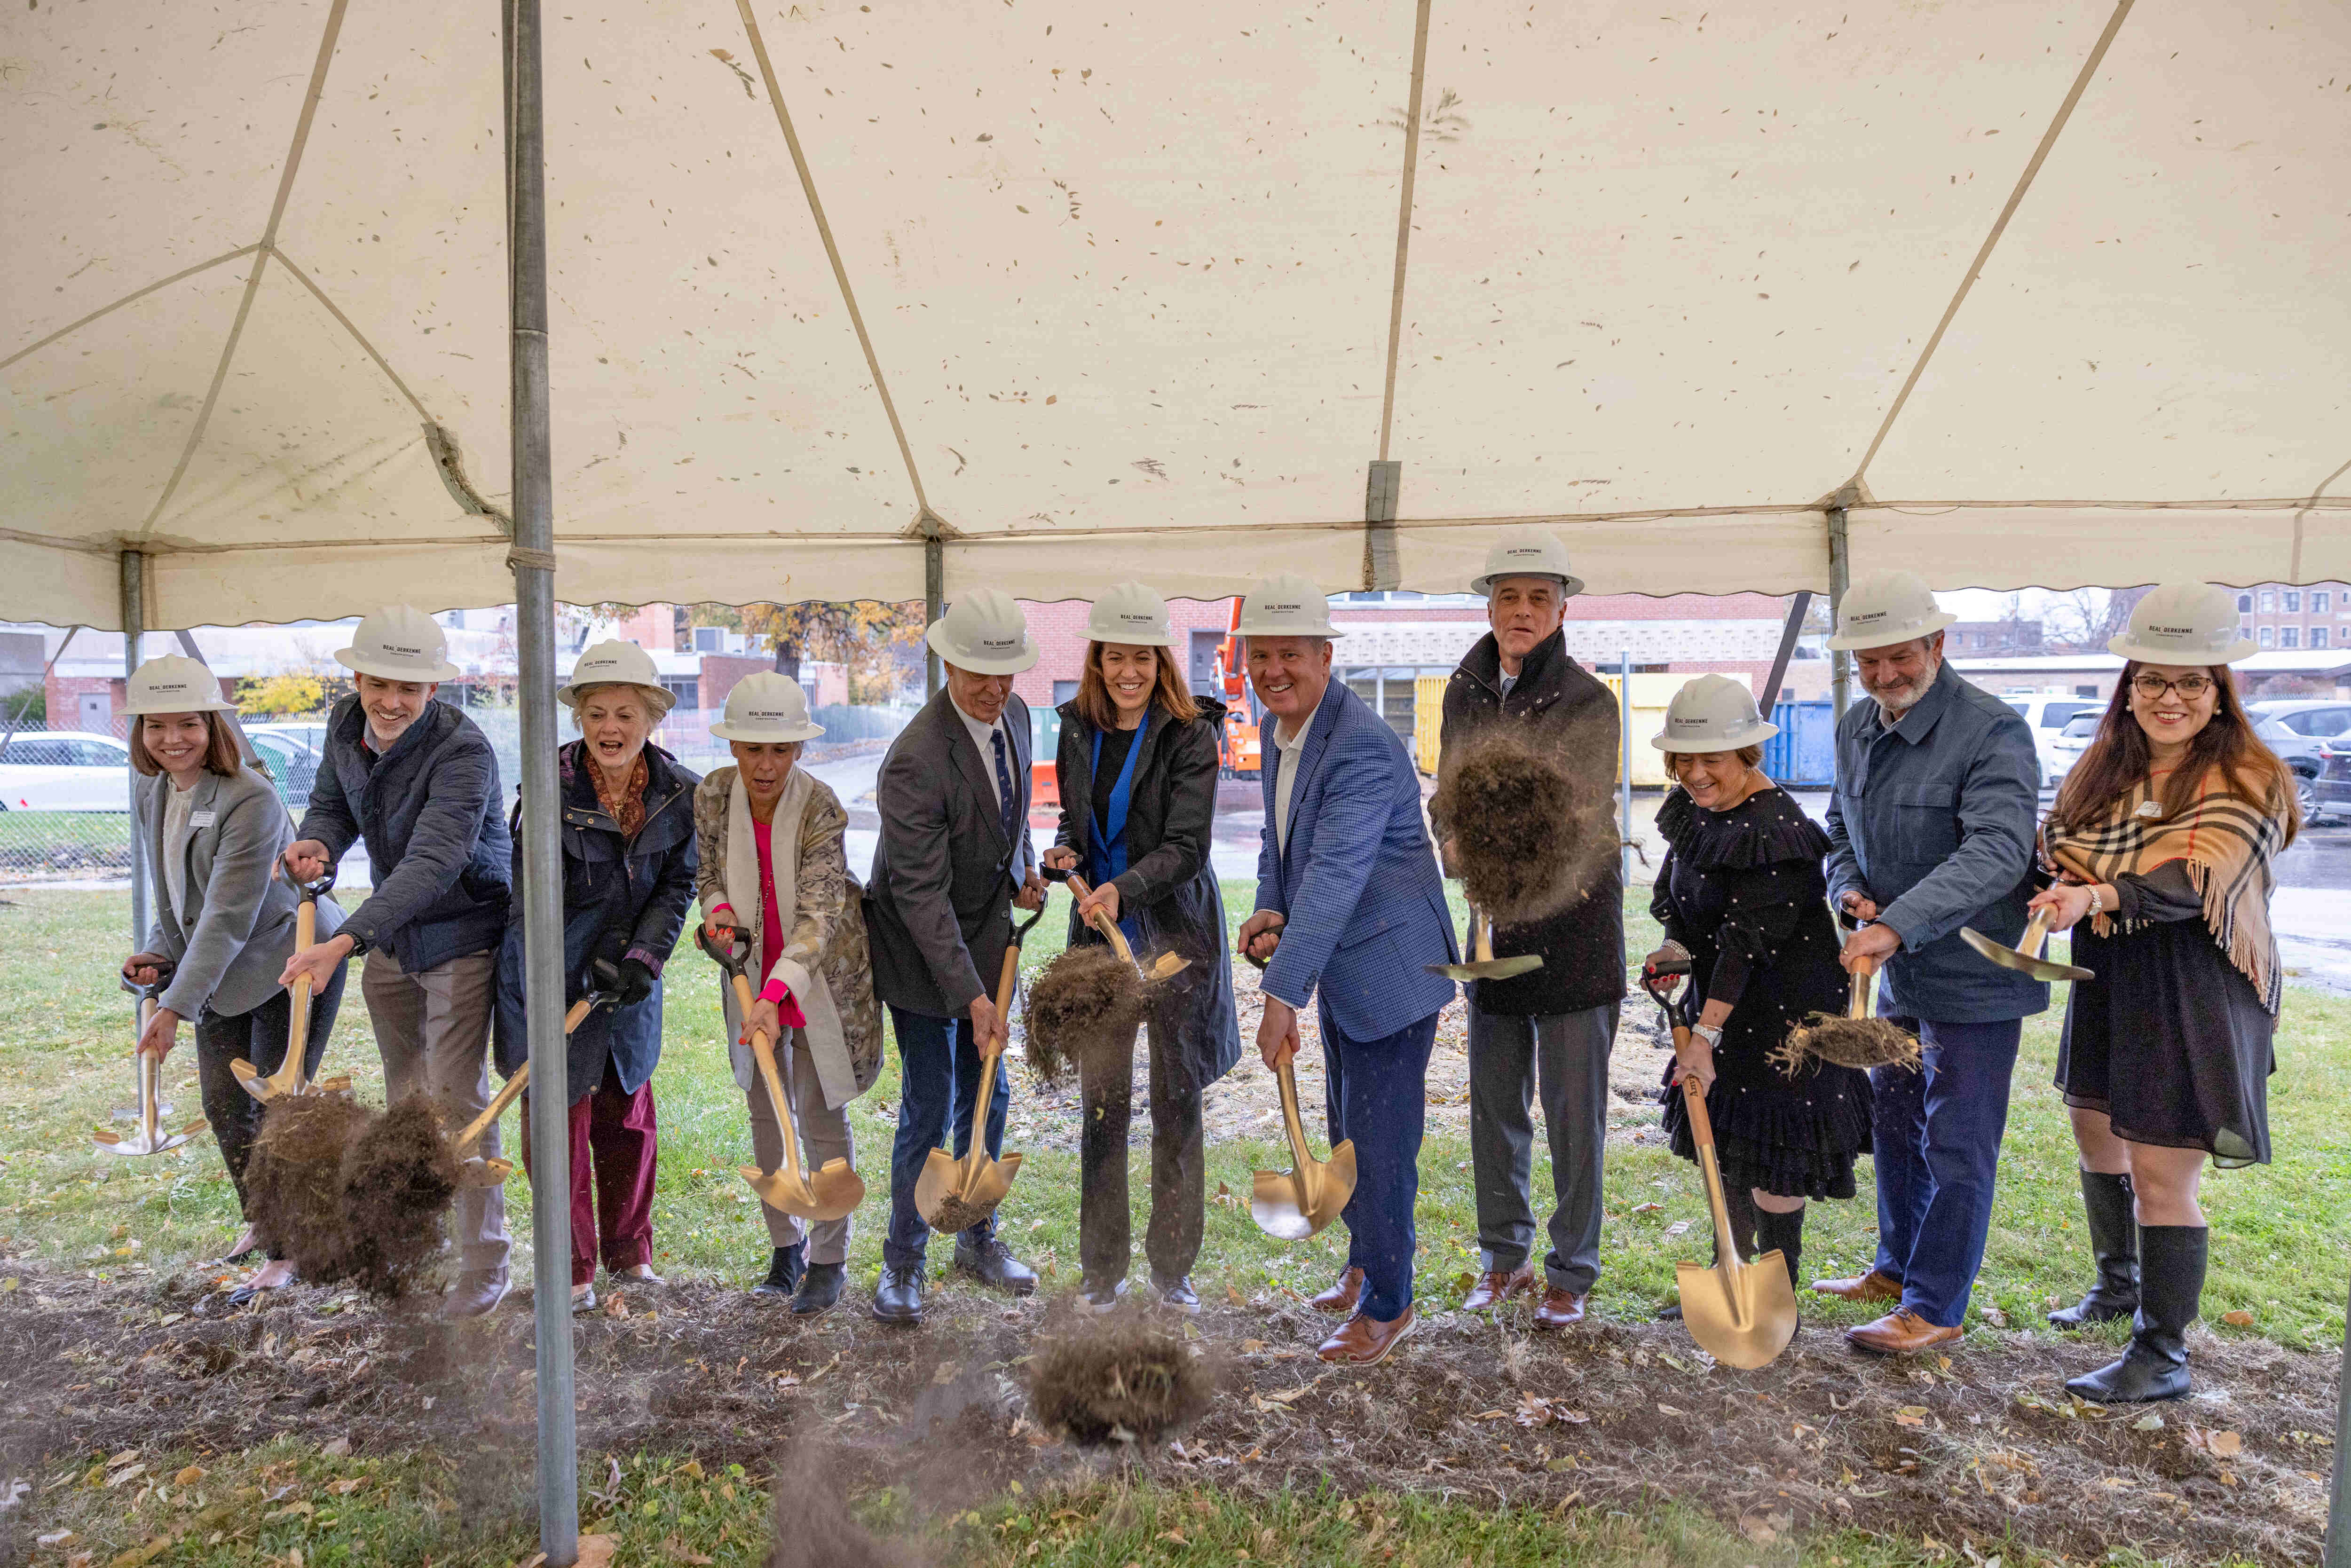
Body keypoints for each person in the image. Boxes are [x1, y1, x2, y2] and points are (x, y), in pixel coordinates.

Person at [2031, 584, 2294, 1403]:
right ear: (2129, 688)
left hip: (2195, 987)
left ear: (2219, 691)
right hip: (2112, 977)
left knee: (2160, 1171)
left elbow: (2198, 876)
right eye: (2152, 681)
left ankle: (2163, 1354)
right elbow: (2061, 843)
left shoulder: (2248, 774)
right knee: (2096, 1135)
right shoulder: (2108, 765)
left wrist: (2102, 896)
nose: (2169, 698)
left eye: (2190, 683)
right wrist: (2051, 884)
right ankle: (2117, 1286)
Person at [1813, 571, 2045, 1356]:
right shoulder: (1855, 727)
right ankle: (1895, 1269)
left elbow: (2000, 850)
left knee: (1956, 1139)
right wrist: (1848, 890)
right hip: (1895, 972)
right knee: (1897, 1121)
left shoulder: (1992, 731)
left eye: (1899, 659)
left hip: (1973, 979)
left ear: (1938, 646)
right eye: (1869, 664)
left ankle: (1935, 1303)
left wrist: (1900, 926)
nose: (1885, 677)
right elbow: (1840, 829)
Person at [1235, 573, 1459, 1365]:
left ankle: (1390, 1307)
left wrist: (1279, 995)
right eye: (1260, 656)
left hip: (1394, 966)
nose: (1273, 671)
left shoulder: (1362, 743)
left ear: (1325, 657)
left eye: (1289, 655)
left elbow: (1333, 875)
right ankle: (1366, 1264)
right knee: (1344, 1126)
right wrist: (1269, 908)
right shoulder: (1280, 729)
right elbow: (1280, 843)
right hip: (1344, 962)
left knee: (1381, 1143)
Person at [277, 605, 515, 1319]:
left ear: (433, 692)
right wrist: (316, 844)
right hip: (396, 937)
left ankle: (485, 1261)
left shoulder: (465, 753)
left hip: (460, 932)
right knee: (407, 1095)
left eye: (410, 689)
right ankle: (417, 1239)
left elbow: (434, 863)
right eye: (381, 683)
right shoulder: (346, 726)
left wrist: (346, 940)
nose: (391, 702)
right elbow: (332, 805)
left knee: (457, 1097)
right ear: (357, 677)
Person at [1431, 529, 1625, 1328]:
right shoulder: (1464, 689)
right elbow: (1449, 785)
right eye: (1508, 597)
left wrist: (1481, 840)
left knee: (1574, 1112)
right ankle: (1501, 1258)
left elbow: (1574, 815)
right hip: (1495, 924)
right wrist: (1449, 831)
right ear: (1489, 606)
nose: (1521, 612)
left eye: (1537, 599)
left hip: (1574, 923)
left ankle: (1571, 1271)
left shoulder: (1589, 701)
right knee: (1494, 1104)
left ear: (1561, 609)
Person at [117, 655, 349, 1307]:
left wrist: (175, 1006)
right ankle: (268, 1221)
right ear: (140, 731)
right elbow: (181, 896)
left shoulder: (251, 797)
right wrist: (158, 955)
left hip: (288, 962)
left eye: (188, 724)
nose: (173, 740)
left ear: (213, 724)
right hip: (218, 970)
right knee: (224, 1105)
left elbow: (228, 911)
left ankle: (291, 1251)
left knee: (280, 1110)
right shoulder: (152, 790)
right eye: (157, 726)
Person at [1039, 583, 1242, 1315]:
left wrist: (1123, 888)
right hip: (1099, 938)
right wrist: (1063, 852)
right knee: (1104, 1102)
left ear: (1163, 663)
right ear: (1097, 661)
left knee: (1175, 1097)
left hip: (1174, 938)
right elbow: (1075, 818)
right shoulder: (1075, 728)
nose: (1130, 672)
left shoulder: (1191, 733)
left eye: (1144, 660)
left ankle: (1171, 1269)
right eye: (1116, 658)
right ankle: (1102, 1272)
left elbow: (1188, 846)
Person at [1643, 677, 1870, 1302]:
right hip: (1724, 1001)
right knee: (1728, 1146)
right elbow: (1684, 904)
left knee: (1775, 1153)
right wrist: (1675, 951)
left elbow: (1747, 944)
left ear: (1748, 755)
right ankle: (1731, 1277)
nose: (1695, 773)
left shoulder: (1777, 829)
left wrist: (1705, 1037)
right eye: (1683, 759)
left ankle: (1776, 1297)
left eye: (1710, 759)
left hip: (1786, 1018)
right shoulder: (1695, 811)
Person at [492, 641, 698, 1313]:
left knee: (627, 1114)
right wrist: (571, 973)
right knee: (559, 1125)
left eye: (626, 714)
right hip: (555, 983)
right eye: (597, 713)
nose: (611, 728)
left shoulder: (678, 795)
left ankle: (630, 1255)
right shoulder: (547, 791)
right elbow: (531, 899)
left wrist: (643, 958)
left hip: (630, 985)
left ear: (652, 719)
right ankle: (573, 1267)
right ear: (579, 718)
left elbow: (678, 883)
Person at [864, 588, 1046, 1324]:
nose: (994, 689)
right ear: (945, 662)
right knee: (931, 1104)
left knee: (990, 1092)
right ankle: (903, 1261)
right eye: (978, 674)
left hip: (986, 933)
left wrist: (1023, 869)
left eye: (1005, 674)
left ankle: (977, 1235)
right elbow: (920, 896)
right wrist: (972, 999)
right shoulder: (915, 760)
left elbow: (1012, 812)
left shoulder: (1020, 717)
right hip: (919, 946)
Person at [692, 672, 884, 1316]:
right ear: (734, 748)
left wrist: (776, 995)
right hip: (747, 969)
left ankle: (829, 1258)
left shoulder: (822, 806)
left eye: (779, 750)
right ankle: (785, 1248)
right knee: (763, 1106)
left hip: (817, 977)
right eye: (751, 748)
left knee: (819, 1107)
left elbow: (820, 915)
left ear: (799, 749)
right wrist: (720, 914)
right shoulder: (714, 795)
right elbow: (709, 873)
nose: (764, 764)